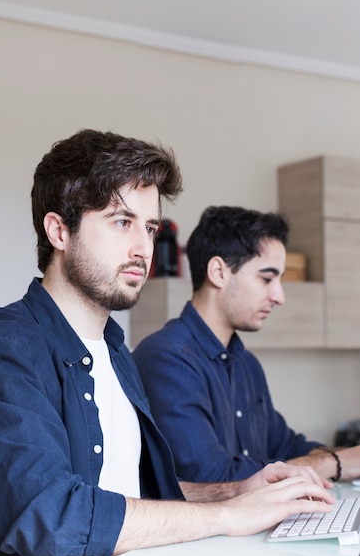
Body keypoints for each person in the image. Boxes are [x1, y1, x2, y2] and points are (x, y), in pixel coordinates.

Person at [0, 132, 334, 556]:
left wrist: (237, 492)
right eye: (121, 221)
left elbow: (129, 495)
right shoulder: (1, 352)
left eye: (149, 227)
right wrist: (229, 517)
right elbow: (49, 516)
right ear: (59, 230)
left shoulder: (112, 351)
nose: (142, 247)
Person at [133, 205, 360, 485]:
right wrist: (331, 464)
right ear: (218, 272)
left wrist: (348, 457)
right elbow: (211, 477)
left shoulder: (247, 364)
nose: (279, 296)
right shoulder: (167, 359)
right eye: (266, 278)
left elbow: (287, 448)